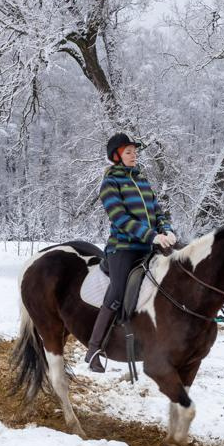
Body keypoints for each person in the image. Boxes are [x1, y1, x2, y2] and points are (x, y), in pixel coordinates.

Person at [85, 132, 178, 372]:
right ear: (116, 156)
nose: (134, 155)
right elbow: (120, 218)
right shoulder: (110, 184)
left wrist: (166, 231)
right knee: (117, 291)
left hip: (149, 247)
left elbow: (158, 212)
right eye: (129, 152)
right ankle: (94, 347)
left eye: (135, 152)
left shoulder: (142, 180)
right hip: (123, 248)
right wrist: (151, 235)